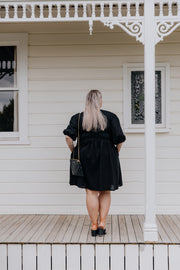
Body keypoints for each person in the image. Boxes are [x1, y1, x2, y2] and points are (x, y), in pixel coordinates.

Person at [63, 90, 126, 237]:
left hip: (85, 155)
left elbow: (68, 137)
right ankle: (102, 224)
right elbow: (120, 139)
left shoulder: (78, 118)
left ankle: (93, 225)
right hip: (107, 155)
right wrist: (116, 152)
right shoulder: (110, 117)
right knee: (105, 190)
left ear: (87, 102)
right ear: (100, 101)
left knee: (90, 191)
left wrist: (74, 151)